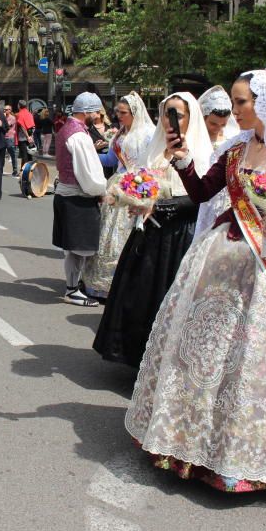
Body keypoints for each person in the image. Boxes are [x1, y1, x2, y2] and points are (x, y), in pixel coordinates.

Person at [126, 65, 266, 492]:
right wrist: (182, 164)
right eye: (233, 102)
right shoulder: (235, 149)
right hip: (224, 255)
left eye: (241, 102)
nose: (235, 109)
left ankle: (249, 456)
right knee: (208, 352)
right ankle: (193, 445)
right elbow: (202, 193)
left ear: (264, 103)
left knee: (260, 358)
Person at [92, 92, 213, 364]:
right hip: (149, 234)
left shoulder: (200, 152)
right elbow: (141, 181)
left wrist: (160, 207)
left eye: (177, 115)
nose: (170, 121)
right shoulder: (156, 147)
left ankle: (165, 363)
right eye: (166, 113)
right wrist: (134, 199)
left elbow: (201, 197)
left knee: (168, 298)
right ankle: (137, 357)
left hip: (181, 235)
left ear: (190, 118)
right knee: (139, 295)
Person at [82, 92, 154, 300]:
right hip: (116, 185)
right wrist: (89, 155)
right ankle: (100, 285)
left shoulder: (148, 134)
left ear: (134, 112)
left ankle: (123, 285)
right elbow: (110, 160)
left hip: (137, 187)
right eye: (117, 112)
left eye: (123, 113)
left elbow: (153, 164)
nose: (119, 116)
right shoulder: (119, 134)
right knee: (106, 234)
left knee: (125, 236)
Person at [52, 93, 108, 306]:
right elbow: (89, 173)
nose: (98, 115)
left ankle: (73, 286)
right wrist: (101, 190)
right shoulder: (80, 136)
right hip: (77, 196)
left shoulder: (67, 129)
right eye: (95, 112)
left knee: (74, 247)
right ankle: (72, 289)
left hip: (67, 194)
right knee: (79, 248)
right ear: (86, 112)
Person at [15, 100, 35, 165]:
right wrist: (31, 136)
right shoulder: (29, 114)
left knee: (24, 155)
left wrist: (27, 136)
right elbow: (33, 126)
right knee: (29, 155)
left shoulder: (19, 114)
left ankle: (24, 172)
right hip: (30, 137)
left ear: (19, 106)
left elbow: (22, 126)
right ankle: (30, 171)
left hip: (23, 138)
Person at [3, 104, 19, 176]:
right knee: (1, 154)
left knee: (13, 154)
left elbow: (7, 126)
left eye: (7, 109)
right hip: (3, 138)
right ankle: (0, 169)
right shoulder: (3, 117)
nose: (5, 111)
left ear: (10, 110)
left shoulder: (12, 118)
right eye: (4, 109)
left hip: (10, 138)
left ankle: (15, 170)